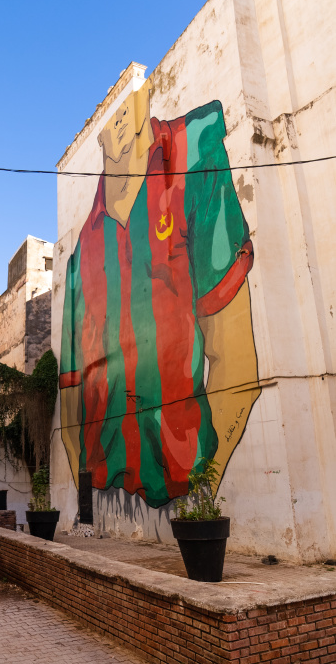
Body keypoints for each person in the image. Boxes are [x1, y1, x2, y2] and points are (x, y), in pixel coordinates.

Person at [59, 82, 261, 509]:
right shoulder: (81, 254)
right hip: (110, 497)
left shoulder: (192, 159)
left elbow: (237, 364)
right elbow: (71, 396)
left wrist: (202, 495)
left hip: (185, 480)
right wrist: (86, 507)